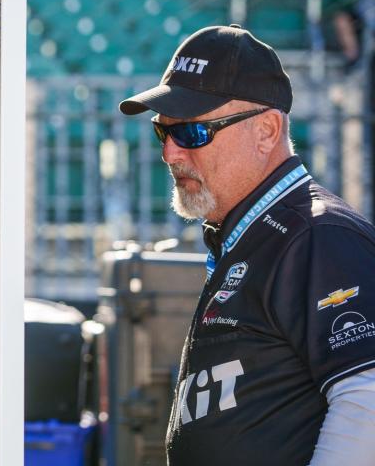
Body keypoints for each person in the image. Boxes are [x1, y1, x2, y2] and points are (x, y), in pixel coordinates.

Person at [119, 24, 375, 465]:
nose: (171, 154)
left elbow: (367, 400)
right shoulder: (257, 235)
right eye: (165, 132)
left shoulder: (317, 234)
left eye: (193, 133)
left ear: (266, 131)